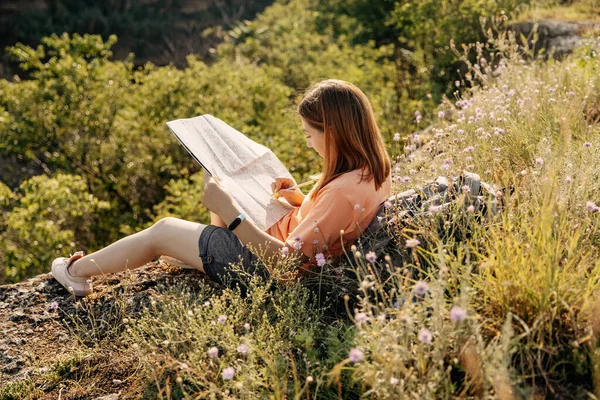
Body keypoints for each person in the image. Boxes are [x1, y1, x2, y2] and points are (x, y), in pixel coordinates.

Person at [51, 79, 392, 296]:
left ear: (332, 131)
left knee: (163, 230)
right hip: (277, 237)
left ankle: (75, 273)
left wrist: (231, 212)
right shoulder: (369, 169)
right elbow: (332, 223)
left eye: (308, 135)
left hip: (265, 268)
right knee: (218, 177)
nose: (307, 144)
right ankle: (200, 250)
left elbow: (284, 262)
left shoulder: (342, 191)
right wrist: (300, 199)